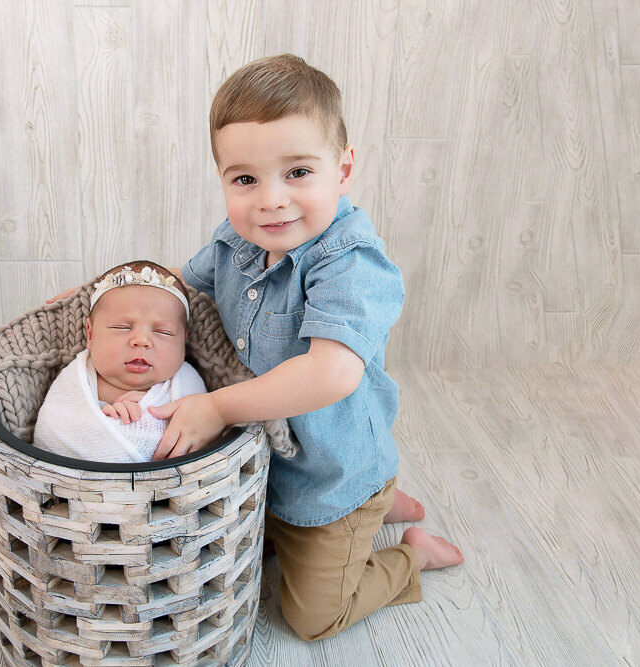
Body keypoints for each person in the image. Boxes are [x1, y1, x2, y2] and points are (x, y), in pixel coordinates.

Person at [48, 54, 463, 641]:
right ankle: (383, 503)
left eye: (297, 172)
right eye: (246, 179)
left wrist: (217, 407)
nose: (270, 200)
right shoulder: (236, 245)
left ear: (343, 170)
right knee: (209, 545)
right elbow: (182, 282)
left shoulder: (350, 265)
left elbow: (332, 373)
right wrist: (105, 289)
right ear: (222, 179)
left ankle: (407, 551)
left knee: (312, 616)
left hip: (329, 477)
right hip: (268, 466)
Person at [32, 261, 206, 463]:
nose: (141, 340)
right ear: (90, 334)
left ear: (183, 341)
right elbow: (54, 432)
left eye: (163, 332)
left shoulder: (187, 384)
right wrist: (109, 417)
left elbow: (198, 438)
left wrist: (147, 419)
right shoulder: (75, 381)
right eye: (122, 327)